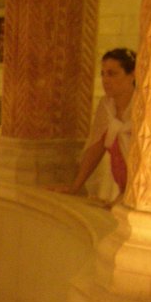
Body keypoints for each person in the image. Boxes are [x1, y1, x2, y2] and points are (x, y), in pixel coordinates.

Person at [49, 48, 136, 200]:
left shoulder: (142, 106)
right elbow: (97, 146)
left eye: (112, 74)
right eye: (103, 74)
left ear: (132, 75)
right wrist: (75, 186)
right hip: (122, 185)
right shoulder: (106, 105)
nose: (105, 80)